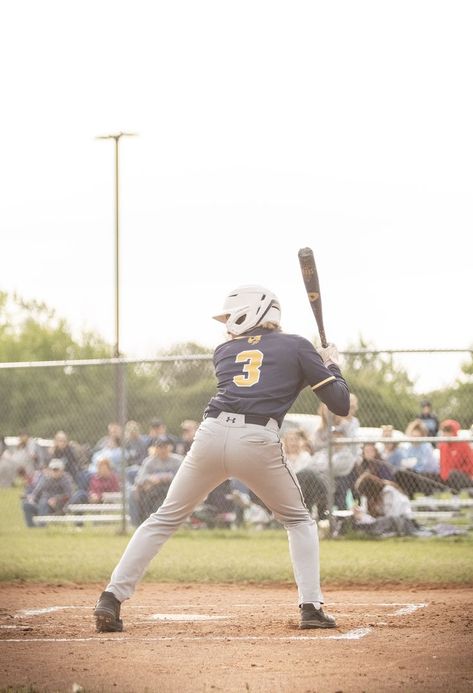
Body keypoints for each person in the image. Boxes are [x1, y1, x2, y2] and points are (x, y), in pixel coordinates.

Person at [93, 284, 350, 632]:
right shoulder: (297, 345)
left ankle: (111, 597)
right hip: (258, 439)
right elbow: (340, 404)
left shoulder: (224, 351)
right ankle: (311, 606)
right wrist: (330, 364)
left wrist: (314, 363)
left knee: (164, 518)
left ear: (252, 313)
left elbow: (267, 375)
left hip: (210, 435)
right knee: (298, 520)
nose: (227, 325)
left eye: (230, 317)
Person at [130, 436, 183, 526]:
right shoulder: (149, 461)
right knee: (133, 492)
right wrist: (150, 479)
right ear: (155, 448)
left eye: (165, 447)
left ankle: (163, 522)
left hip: (172, 489)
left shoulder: (178, 461)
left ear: (170, 448)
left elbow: (182, 478)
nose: (162, 450)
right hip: (152, 490)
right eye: (159, 447)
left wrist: (163, 478)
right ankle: (137, 524)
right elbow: (139, 479)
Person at [22, 458, 73, 527]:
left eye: (56, 469)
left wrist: (56, 499)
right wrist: (32, 498)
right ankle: (32, 528)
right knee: (26, 505)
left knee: (44, 500)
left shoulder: (66, 479)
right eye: (52, 469)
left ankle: (42, 525)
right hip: (42, 505)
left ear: (62, 470)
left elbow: (69, 495)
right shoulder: (46, 479)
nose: (54, 472)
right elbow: (37, 491)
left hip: (58, 507)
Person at [437, 419, 473, 491]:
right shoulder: (442, 446)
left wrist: (458, 471)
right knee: (432, 475)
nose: (446, 434)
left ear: (454, 431)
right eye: (444, 431)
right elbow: (442, 465)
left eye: (448, 431)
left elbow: (471, 464)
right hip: (446, 477)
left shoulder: (463, 445)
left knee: (453, 474)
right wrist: (444, 476)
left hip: (463, 476)